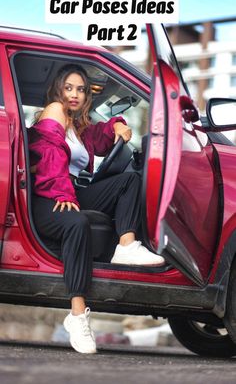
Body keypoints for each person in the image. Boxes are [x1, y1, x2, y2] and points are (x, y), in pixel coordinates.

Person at [28, 63, 165, 354]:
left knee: (128, 182)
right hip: (48, 194)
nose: (74, 94)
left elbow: (100, 138)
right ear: (58, 90)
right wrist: (62, 192)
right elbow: (49, 152)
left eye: (80, 89)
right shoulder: (55, 110)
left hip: (73, 191)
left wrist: (115, 124)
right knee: (77, 223)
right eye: (69, 88)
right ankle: (77, 317)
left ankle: (126, 245)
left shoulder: (79, 125)